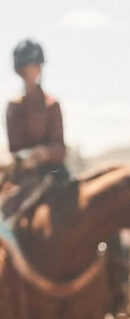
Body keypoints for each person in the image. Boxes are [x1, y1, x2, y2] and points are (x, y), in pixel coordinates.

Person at [3, 40, 67, 217]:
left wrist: (46, 153)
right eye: (26, 68)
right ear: (19, 71)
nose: (31, 72)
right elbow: (14, 147)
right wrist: (26, 157)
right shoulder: (14, 106)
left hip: (55, 173)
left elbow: (61, 148)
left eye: (34, 66)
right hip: (24, 175)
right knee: (7, 216)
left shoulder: (51, 104)